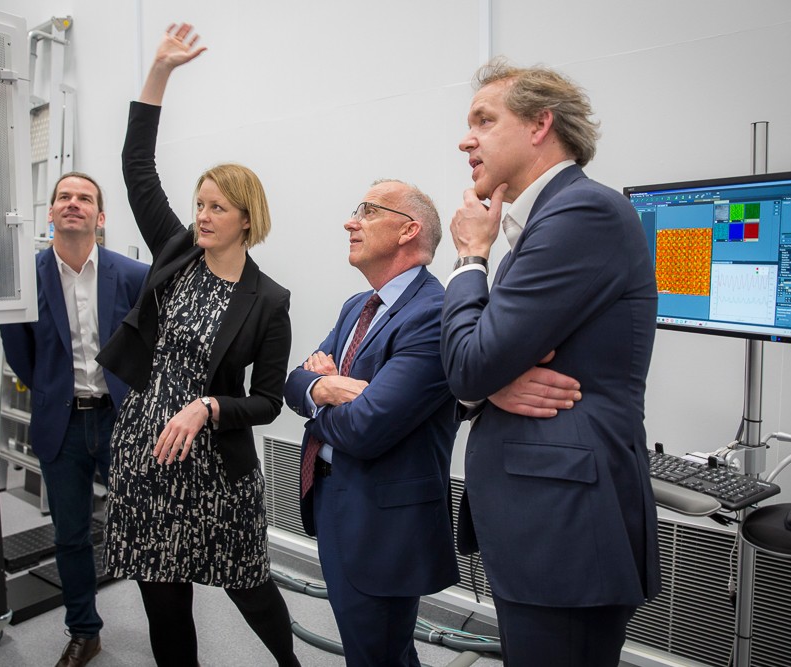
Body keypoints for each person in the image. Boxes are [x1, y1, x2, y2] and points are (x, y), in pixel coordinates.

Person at [440, 58, 662, 666]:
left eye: (484, 120)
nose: (466, 138)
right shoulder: (541, 222)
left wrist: (469, 257)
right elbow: (475, 369)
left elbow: (467, 361)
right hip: (541, 518)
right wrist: (489, 384)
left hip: (564, 525)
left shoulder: (581, 213)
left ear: (541, 124)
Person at [95, 23, 299, 667]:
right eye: (199, 203)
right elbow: (136, 167)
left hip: (215, 465)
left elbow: (267, 401)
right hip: (146, 450)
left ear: (246, 217)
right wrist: (158, 74)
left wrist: (208, 406)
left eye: (215, 207)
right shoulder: (177, 252)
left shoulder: (269, 299)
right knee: (162, 595)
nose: (201, 215)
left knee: (249, 586)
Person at [283, 179, 460, 666]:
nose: (350, 221)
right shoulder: (359, 306)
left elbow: (367, 428)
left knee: (376, 654)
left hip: (383, 520)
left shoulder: (434, 313)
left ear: (408, 230)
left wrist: (318, 401)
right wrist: (323, 388)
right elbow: (293, 382)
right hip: (337, 499)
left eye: (367, 210)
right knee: (383, 652)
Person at [0, 172, 148, 667]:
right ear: (51, 211)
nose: (73, 204)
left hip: (120, 421)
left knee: (142, 527)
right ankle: (85, 630)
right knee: (70, 535)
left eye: (84, 198)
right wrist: (54, 391)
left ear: (100, 217)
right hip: (60, 425)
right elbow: (22, 356)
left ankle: (165, 626)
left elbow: (151, 346)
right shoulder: (27, 278)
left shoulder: (131, 275)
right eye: (64, 196)